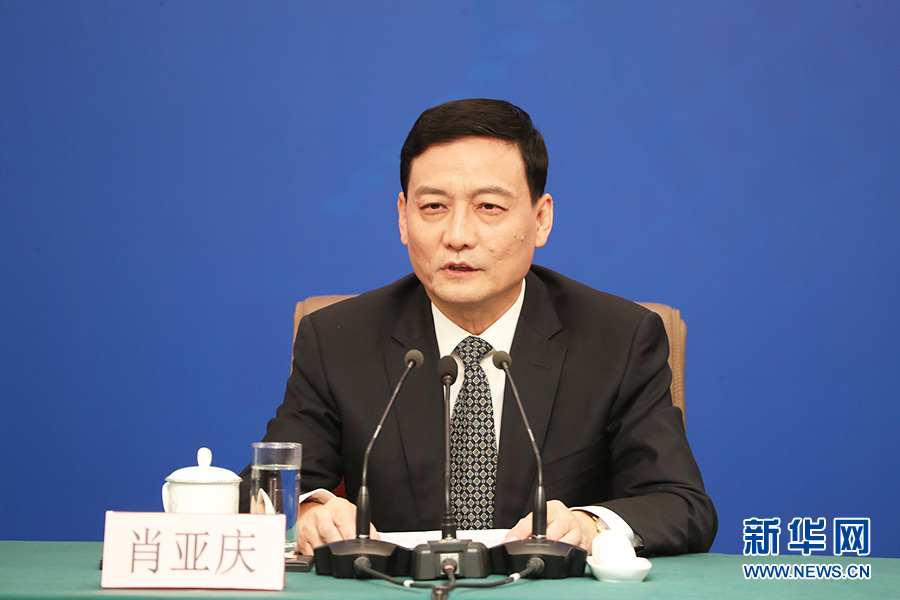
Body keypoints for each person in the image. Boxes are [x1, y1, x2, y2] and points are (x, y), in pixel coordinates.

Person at [239, 98, 717, 557]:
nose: (458, 236)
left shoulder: (618, 338)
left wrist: (591, 526)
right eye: (433, 207)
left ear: (541, 219)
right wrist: (308, 511)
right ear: (403, 218)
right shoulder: (338, 339)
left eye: (489, 207)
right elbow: (262, 489)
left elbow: (681, 504)